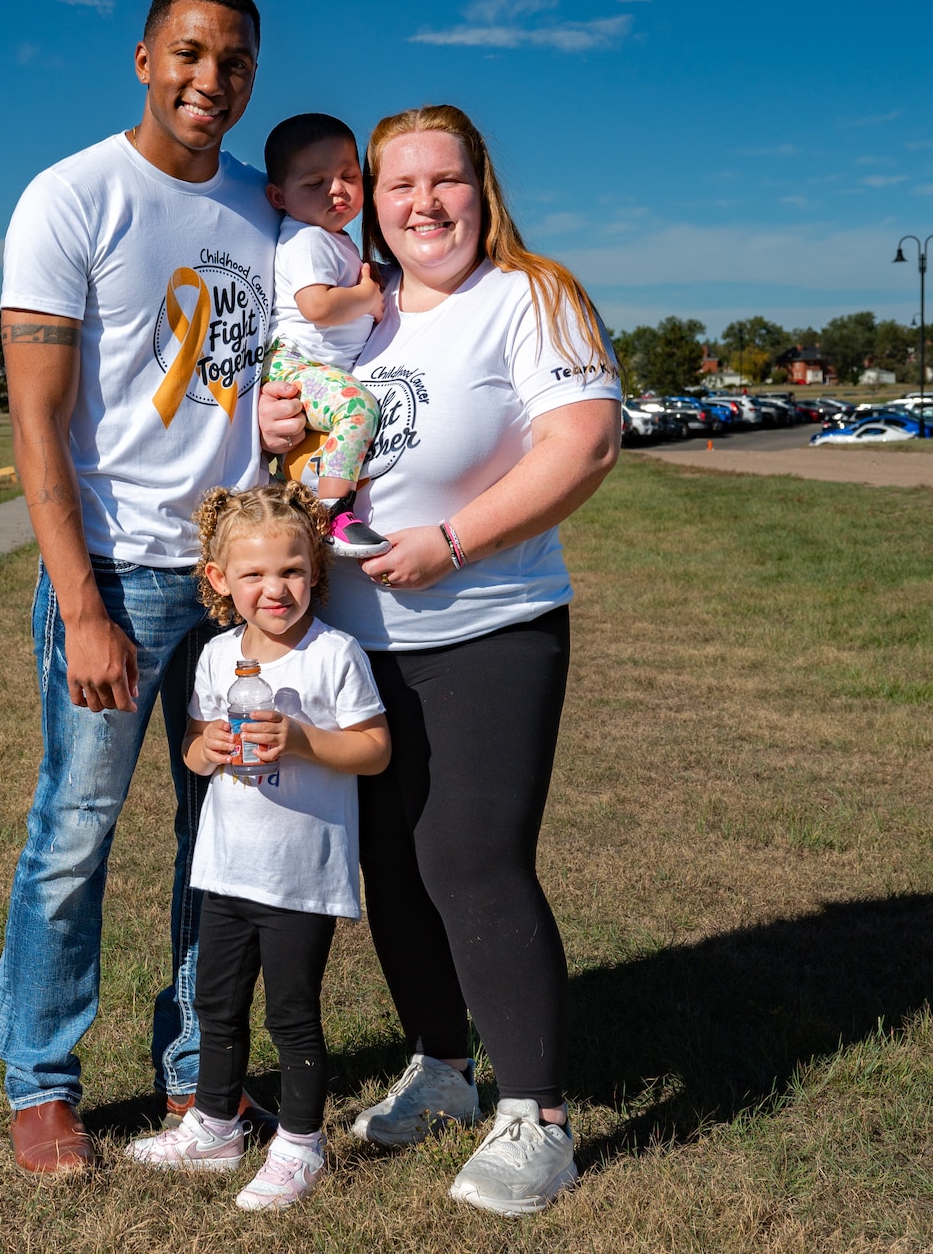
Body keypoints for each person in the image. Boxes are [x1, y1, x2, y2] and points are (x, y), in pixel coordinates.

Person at [0, 0, 309, 1174]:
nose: (208, 80)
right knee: (75, 828)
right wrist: (80, 604)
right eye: (188, 53)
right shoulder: (70, 196)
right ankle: (41, 1082)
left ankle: (195, 1070)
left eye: (234, 62)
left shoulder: (263, 210)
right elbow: (36, 419)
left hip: (233, 581)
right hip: (118, 571)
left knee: (217, 828)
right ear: (142, 58)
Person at [316, 105, 621, 1216]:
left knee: (469, 856)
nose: (424, 204)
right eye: (399, 185)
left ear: (481, 186)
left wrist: (450, 542)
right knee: (391, 866)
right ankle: (441, 1065)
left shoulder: (530, 295)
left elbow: (584, 442)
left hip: (489, 623)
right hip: (357, 644)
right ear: (372, 202)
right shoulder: (362, 311)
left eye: (443, 180)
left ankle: (537, 1115)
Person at [125, 483, 389, 1209]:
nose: (276, 589)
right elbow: (191, 747)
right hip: (226, 869)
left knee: (291, 1014)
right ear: (219, 579)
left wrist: (301, 740)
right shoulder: (216, 657)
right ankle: (215, 1126)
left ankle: (301, 1144)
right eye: (255, 574)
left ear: (316, 570)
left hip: (300, 875)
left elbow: (374, 749)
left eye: (292, 570)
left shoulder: (333, 654)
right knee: (216, 1003)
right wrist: (206, 747)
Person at [260, 113, 389, 559]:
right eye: (315, 183)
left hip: (308, 366)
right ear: (279, 196)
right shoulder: (309, 240)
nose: (337, 189)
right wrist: (367, 298)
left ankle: (297, 503)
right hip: (296, 364)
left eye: (348, 176)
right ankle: (333, 512)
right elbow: (316, 305)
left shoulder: (333, 239)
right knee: (357, 408)